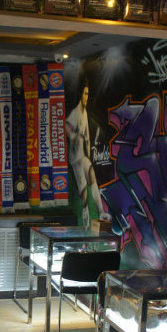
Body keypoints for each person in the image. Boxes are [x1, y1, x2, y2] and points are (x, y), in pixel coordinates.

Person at [66, 79, 105, 228]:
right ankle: (85, 222)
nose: (86, 97)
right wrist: (75, 136)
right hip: (76, 158)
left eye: (88, 94)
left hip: (83, 155)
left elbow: (87, 135)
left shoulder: (85, 112)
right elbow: (67, 126)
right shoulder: (76, 112)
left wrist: (88, 150)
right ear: (80, 95)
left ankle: (101, 212)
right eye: (84, 93)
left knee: (92, 175)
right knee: (84, 194)